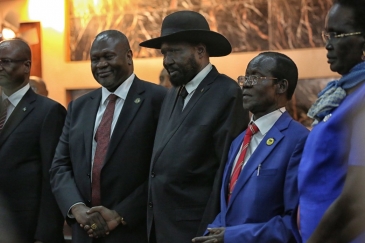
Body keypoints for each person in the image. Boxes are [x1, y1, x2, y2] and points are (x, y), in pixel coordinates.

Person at [139, 10, 249, 243]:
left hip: (195, 230)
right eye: (164, 53)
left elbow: (224, 174)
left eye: (175, 52)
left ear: (200, 51)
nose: (167, 60)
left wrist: (209, 230)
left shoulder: (227, 94)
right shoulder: (173, 93)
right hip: (161, 228)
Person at [50, 30, 167, 242]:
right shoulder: (79, 107)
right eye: (95, 59)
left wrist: (120, 214)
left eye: (108, 56)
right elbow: (60, 165)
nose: (101, 64)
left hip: (132, 230)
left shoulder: (158, 99)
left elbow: (162, 171)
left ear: (129, 56)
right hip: (84, 231)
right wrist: (77, 209)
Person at [192, 51, 309, 243]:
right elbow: (228, 208)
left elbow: (294, 222)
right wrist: (210, 235)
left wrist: (233, 236)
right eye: (245, 77)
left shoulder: (298, 140)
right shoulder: (238, 141)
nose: (245, 84)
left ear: (281, 86)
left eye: (255, 77)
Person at [295, 0, 365, 242]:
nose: (327, 44)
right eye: (328, 34)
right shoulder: (344, 95)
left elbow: (357, 201)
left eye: (337, 34)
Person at [0, 38, 66, 242]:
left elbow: (52, 177)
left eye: (6, 61)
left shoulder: (48, 112)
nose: (0, 67)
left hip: (26, 227)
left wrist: (46, 234)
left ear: (26, 65)